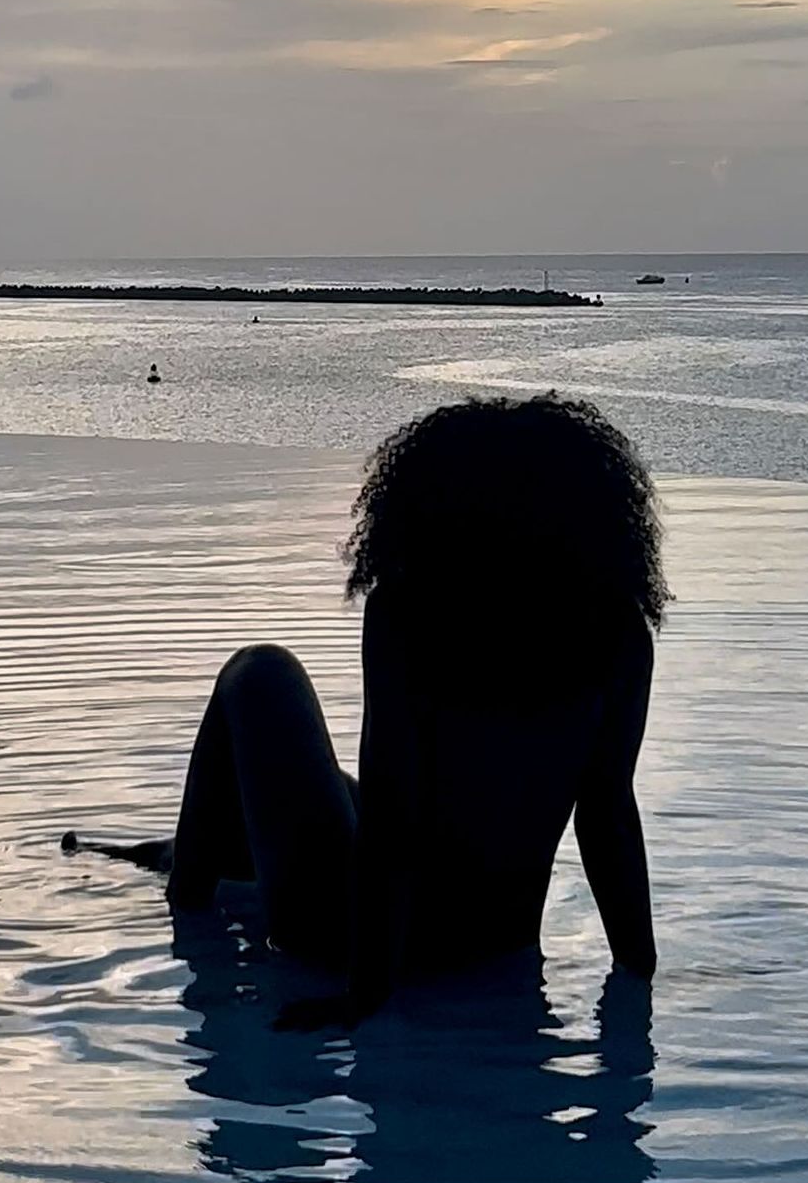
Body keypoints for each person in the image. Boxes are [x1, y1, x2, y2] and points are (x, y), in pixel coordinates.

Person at [64, 393, 669, 1028]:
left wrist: (366, 994)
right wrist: (639, 968)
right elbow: (607, 816)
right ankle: (195, 853)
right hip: (493, 945)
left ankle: (185, 890)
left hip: (341, 940)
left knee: (259, 671)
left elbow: (394, 817)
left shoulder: (410, 614)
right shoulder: (618, 635)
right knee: (341, 789)